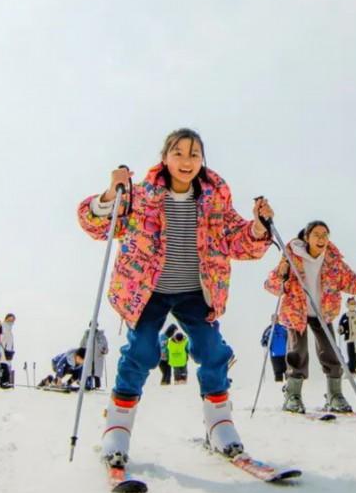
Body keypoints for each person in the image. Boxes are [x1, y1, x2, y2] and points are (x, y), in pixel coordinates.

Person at [78, 128, 275, 469]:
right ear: (165, 157)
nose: (187, 161)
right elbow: (96, 225)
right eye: (179, 153)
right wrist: (112, 191)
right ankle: (118, 427)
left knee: (213, 351)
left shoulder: (215, 200)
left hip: (197, 291)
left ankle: (219, 424)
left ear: (202, 160)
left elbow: (239, 242)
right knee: (141, 351)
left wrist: (258, 227)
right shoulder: (139, 196)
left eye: (194, 154)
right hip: (147, 291)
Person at [265, 221, 356, 414]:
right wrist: (282, 275)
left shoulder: (333, 260)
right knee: (297, 353)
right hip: (297, 310)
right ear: (307, 237)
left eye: (325, 234)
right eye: (316, 234)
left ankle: (335, 396)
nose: (321, 238)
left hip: (322, 311)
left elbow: (351, 282)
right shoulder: (291, 256)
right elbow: (271, 285)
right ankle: (293, 396)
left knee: (331, 352)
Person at [79, 323, 109, 390]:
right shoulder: (87, 335)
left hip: (98, 356)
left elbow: (105, 345)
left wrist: (104, 350)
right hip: (89, 355)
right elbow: (82, 344)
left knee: (96, 372)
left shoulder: (101, 335)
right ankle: (88, 385)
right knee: (88, 371)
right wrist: (82, 352)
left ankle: (97, 386)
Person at [260, 315, 288, 383]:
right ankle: (278, 386)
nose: (275, 320)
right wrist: (264, 342)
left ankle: (288, 385)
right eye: (273, 319)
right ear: (271, 320)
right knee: (278, 372)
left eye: (276, 319)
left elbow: (290, 336)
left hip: (285, 354)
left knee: (287, 371)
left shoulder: (283, 328)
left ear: (278, 319)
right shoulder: (269, 330)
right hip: (275, 355)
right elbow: (263, 339)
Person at [0, 313, 17, 388]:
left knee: (7, 367)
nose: (11, 321)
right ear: (6, 319)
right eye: (9, 319)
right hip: (2, 351)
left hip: (8, 353)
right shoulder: (3, 327)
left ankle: (6, 382)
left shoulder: (9, 329)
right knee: (3, 367)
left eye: (12, 320)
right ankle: (4, 383)